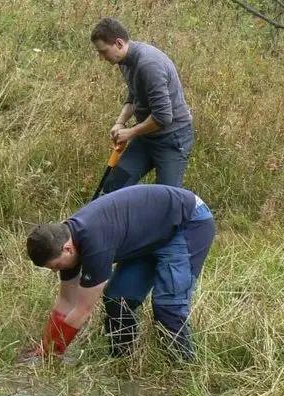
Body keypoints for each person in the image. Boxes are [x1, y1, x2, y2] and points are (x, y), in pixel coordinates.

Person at [25, 184, 215, 361]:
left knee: (168, 308)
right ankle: (123, 362)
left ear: (67, 249)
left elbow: (83, 310)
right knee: (118, 299)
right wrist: (44, 346)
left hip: (188, 221)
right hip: (151, 235)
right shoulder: (66, 239)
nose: (56, 271)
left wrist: (52, 353)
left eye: (56, 266)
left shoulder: (94, 244)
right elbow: (66, 302)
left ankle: (183, 371)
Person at [91, 17, 194, 192]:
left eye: (104, 51)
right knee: (114, 186)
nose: (102, 58)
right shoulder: (124, 61)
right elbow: (135, 94)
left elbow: (163, 117)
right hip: (148, 135)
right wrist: (120, 122)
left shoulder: (149, 64)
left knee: (167, 199)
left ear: (119, 43)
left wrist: (129, 133)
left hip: (173, 138)